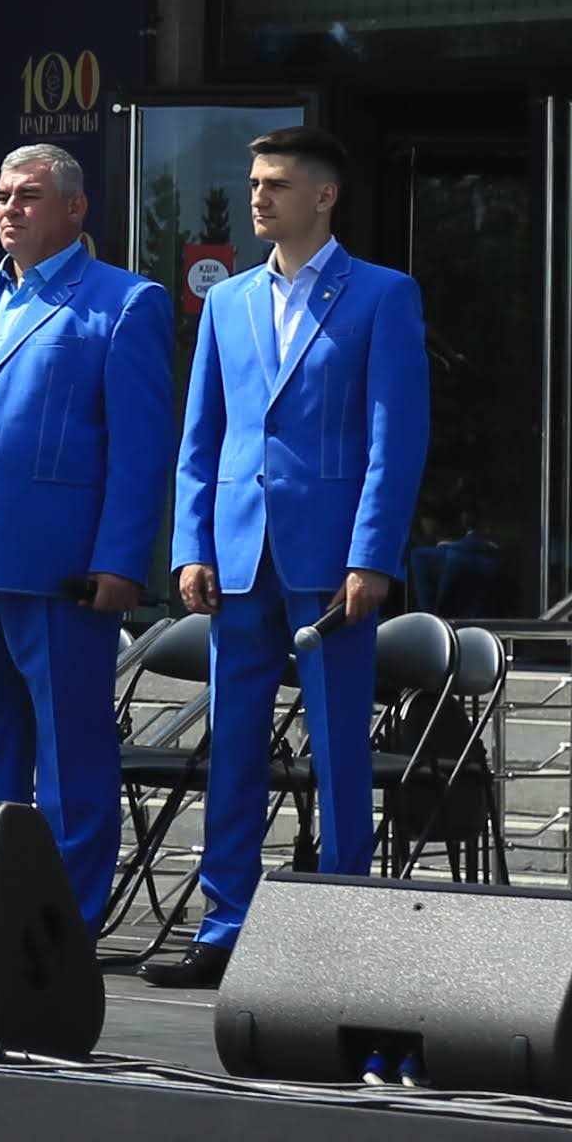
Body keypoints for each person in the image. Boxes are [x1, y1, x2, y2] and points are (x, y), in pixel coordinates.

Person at [150, 126, 429, 989]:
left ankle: (342, 925)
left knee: (339, 747)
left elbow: (395, 437)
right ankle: (224, 924)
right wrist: (192, 542)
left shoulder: (382, 294)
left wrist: (372, 554)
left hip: (332, 558)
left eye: (275, 182)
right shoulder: (229, 301)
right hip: (239, 553)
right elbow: (202, 436)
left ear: (325, 195)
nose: (258, 196)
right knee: (234, 745)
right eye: (253, 182)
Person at [0, 144, 179, 925]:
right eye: (0, 195)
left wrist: (121, 559)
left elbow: (140, 448)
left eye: (28, 195)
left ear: (74, 208)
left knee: (70, 764)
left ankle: (64, 929)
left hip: (60, 573)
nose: (9, 209)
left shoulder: (126, 301)